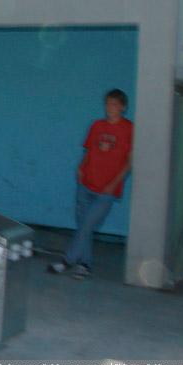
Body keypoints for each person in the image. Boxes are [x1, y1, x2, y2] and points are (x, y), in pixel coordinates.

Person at [48, 89, 134, 279]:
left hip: (107, 189)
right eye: (107, 103)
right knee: (83, 226)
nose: (109, 108)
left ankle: (67, 260)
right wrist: (81, 167)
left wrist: (115, 183)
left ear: (123, 107)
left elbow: (129, 161)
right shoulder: (97, 125)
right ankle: (85, 264)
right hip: (86, 183)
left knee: (87, 225)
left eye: (114, 104)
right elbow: (89, 150)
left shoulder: (129, 129)